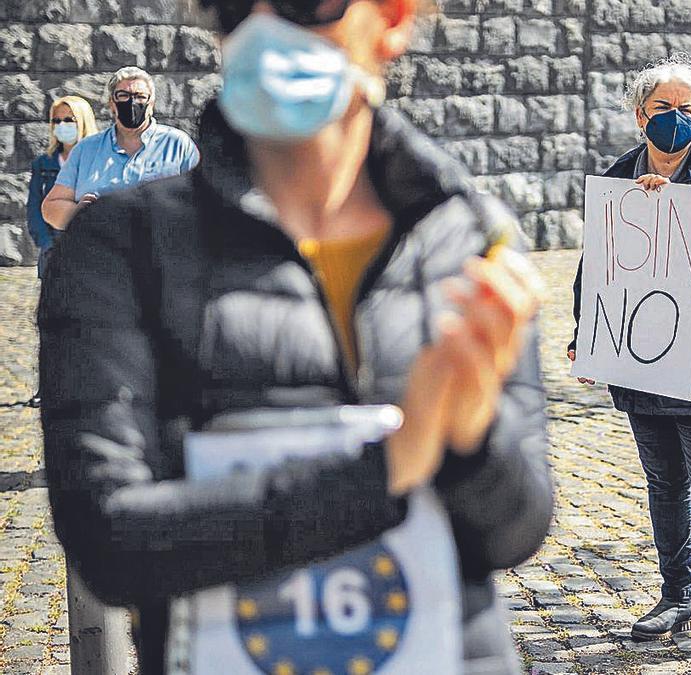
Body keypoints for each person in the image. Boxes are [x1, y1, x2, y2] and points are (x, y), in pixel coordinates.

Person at [38, 0, 553, 673]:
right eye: (231, 5)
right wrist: (391, 463)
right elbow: (107, 541)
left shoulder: (466, 236)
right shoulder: (118, 247)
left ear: (392, 18)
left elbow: (516, 528)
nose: (263, 27)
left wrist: (471, 437)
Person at [568, 54, 691, 666]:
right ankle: (677, 597)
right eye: (663, 110)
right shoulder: (617, 178)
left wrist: (675, 207)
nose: (675, 120)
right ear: (638, 115)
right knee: (663, 485)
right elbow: (595, 265)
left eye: (686, 110)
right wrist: (588, 332)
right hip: (640, 362)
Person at [41, 66, 199, 231]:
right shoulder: (86, 150)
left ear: (151, 103)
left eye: (140, 97)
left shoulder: (178, 145)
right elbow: (51, 207)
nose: (131, 102)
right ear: (112, 103)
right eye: (123, 96)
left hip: (159, 251)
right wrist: (81, 215)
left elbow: (207, 203)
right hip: (102, 252)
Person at [27, 95, 99, 276]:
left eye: (68, 120)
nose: (62, 125)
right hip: (52, 251)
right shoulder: (43, 164)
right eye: (56, 120)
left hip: (91, 252)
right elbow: (34, 209)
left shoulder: (100, 160)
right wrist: (48, 245)